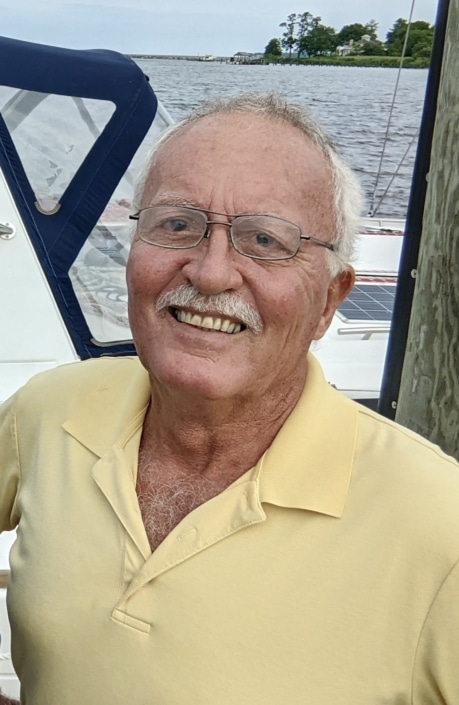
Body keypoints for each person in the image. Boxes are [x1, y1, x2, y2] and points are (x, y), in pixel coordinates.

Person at [0, 92, 458, 705]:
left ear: (329, 299)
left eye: (266, 240)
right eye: (177, 224)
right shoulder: (52, 409)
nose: (211, 273)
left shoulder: (439, 529)